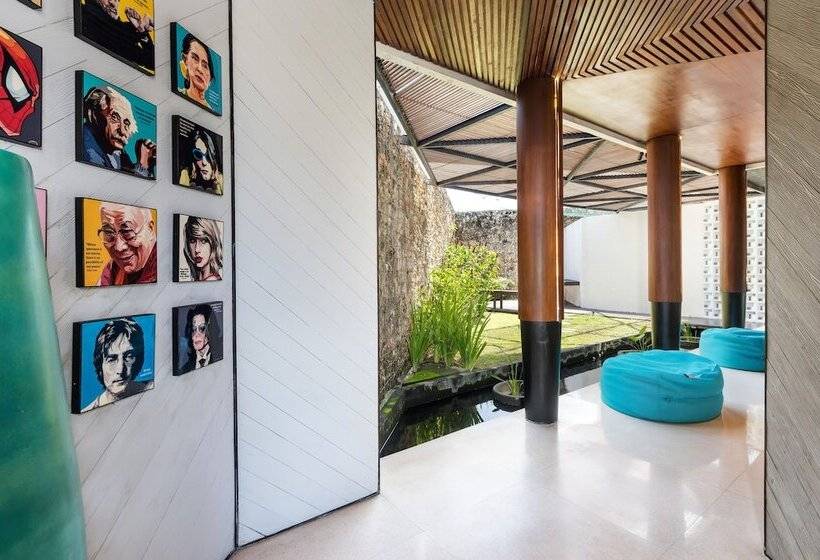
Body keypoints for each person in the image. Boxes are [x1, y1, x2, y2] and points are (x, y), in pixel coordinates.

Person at [82, 86, 156, 178]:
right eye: (114, 117)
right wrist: (143, 165)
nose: (123, 131)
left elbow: (127, 176)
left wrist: (146, 160)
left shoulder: (116, 150)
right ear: (93, 114)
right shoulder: (88, 148)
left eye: (126, 123)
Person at [82, 318, 152, 412]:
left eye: (128, 357)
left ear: (137, 359)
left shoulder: (151, 386)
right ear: (100, 365)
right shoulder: (89, 410)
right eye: (112, 359)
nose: (120, 369)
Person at [79, 0, 155, 72]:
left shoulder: (126, 32)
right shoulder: (85, 12)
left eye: (117, 0)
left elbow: (151, 62)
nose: (113, 3)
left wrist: (141, 31)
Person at [97, 203, 157, 286]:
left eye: (127, 232)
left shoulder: (162, 266)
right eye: (108, 232)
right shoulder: (112, 269)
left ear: (149, 229)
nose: (119, 247)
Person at [178, 127, 223, 194]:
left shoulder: (221, 181)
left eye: (208, 156)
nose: (204, 162)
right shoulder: (185, 176)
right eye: (198, 155)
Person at [179, 304, 222, 374]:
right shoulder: (185, 368)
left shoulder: (219, 356)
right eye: (194, 329)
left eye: (202, 328)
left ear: (211, 329)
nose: (196, 334)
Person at [178, 33, 215, 110]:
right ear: (185, 59)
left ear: (210, 79)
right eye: (195, 58)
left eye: (205, 66)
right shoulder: (178, 93)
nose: (200, 69)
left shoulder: (211, 109)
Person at [182, 216, 222, 281]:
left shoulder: (211, 280)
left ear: (213, 244)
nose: (197, 249)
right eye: (192, 241)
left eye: (203, 241)